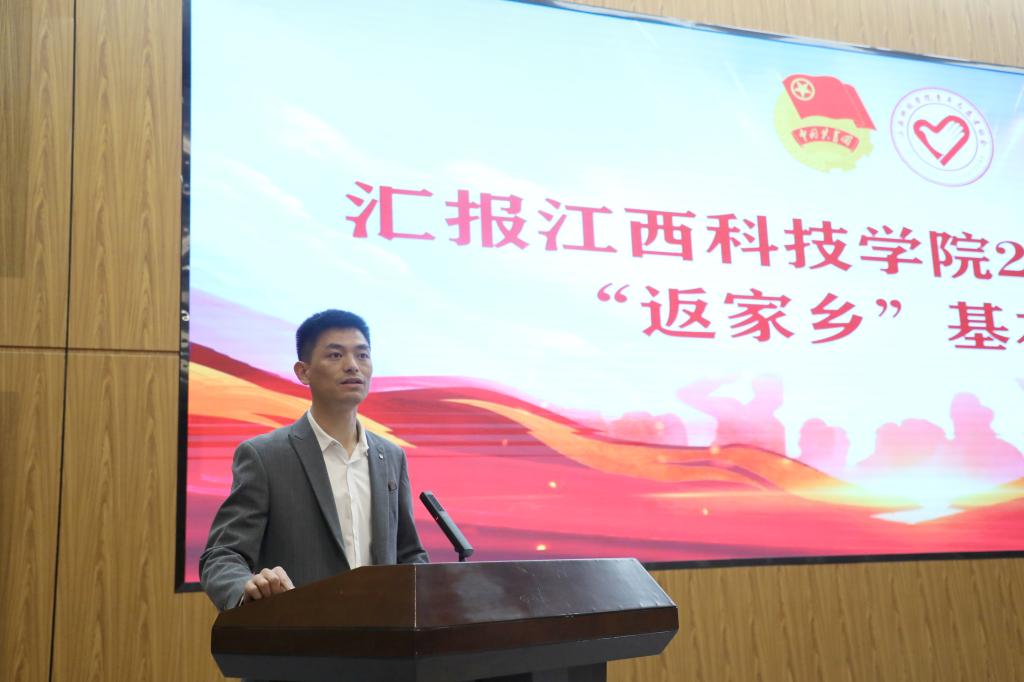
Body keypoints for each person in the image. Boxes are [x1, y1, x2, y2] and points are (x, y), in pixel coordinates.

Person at [200, 309, 428, 611]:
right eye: (335, 355)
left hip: (382, 634)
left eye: (362, 355)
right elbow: (222, 556)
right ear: (303, 372)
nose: (352, 365)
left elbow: (408, 554)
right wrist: (247, 589)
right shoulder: (265, 456)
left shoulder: (391, 457)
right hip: (301, 631)